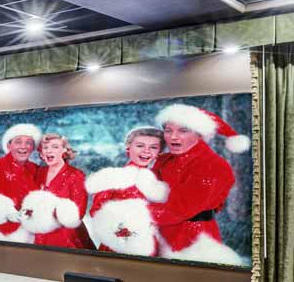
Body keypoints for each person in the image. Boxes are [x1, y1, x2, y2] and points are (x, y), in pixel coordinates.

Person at [149, 104, 250, 265]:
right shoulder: (164, 160)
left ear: (200, 134)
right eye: (168, 130)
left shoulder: (213, 166)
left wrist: (137, 215)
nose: (173, 137)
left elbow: (180, 208)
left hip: (191, 240)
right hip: (157, 235)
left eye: (183, 130)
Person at [85, 127, 169, 256]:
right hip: (121, 244)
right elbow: (97, 211)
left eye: (153, 147)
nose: (146, 151)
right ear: (128, 148)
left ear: (159, 152)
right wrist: (121, 230)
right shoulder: (113, 177)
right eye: (140, 146)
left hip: (157, 245)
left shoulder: (162, 180)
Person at [19, 133, 94, 249]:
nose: (49, 151)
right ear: (41, 153)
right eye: (45, 147)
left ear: (64, 150)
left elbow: (78, 212)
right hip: (39, 233)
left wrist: (51, 215)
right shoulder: (38, 173)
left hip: (66, 236)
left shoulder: (76, 175)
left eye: (55, 147)